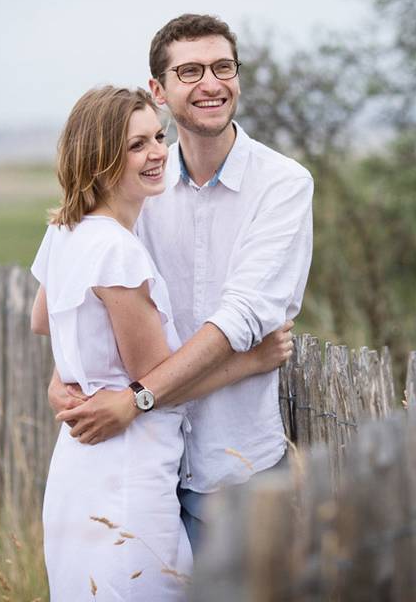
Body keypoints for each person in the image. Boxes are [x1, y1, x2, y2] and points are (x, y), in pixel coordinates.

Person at [50, 14, 315, 552]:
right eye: (190, 71)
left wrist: (137, 398)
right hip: (142, 465)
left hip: (233, 469)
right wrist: (66, 374)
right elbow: (92, 288)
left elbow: (241, 318)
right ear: (159, 90)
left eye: (223, 67)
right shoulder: (141, 184)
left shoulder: (283, 184)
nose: (211, 84)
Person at [30, 86, 293, 600]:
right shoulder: (116, 251)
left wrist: (74, 371)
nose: (157, 154)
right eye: (136, 145)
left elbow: (44, 319)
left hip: (78, 467)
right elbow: (161, 383)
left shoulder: (67, 231)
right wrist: (253, 360)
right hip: (127, 467)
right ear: (99, 156)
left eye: (158, 136)